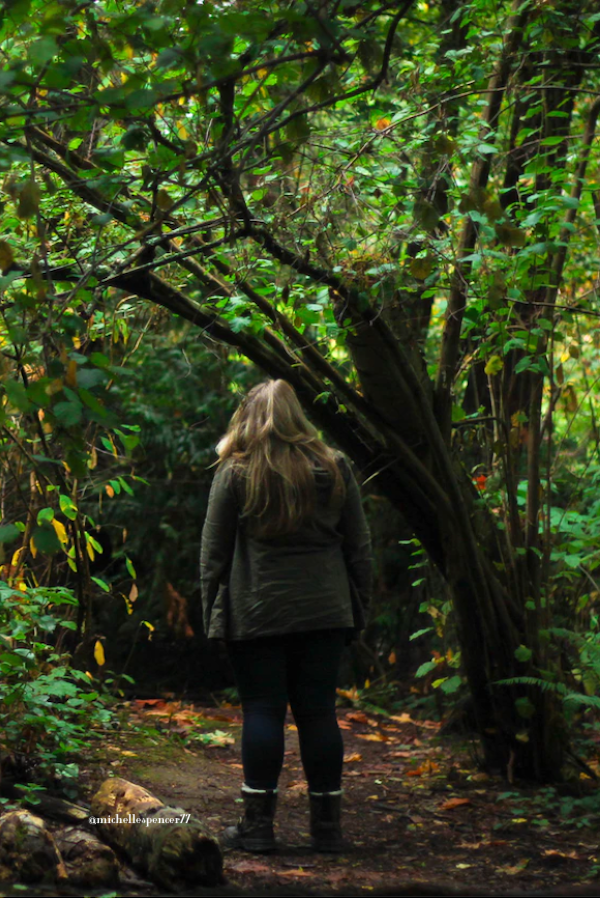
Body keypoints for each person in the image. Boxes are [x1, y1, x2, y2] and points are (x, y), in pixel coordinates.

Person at [200, 379, 372, 854]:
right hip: (326, 611)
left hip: (257, 610)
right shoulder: (335, 467)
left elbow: (213, 554)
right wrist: (359, 608)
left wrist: (212, 614)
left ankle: (257, 828)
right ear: (299, 417)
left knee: (262, 710)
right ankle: (327, 830)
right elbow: (360, 548)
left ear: (248, 420)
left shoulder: (237, 472)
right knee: (319, 712)